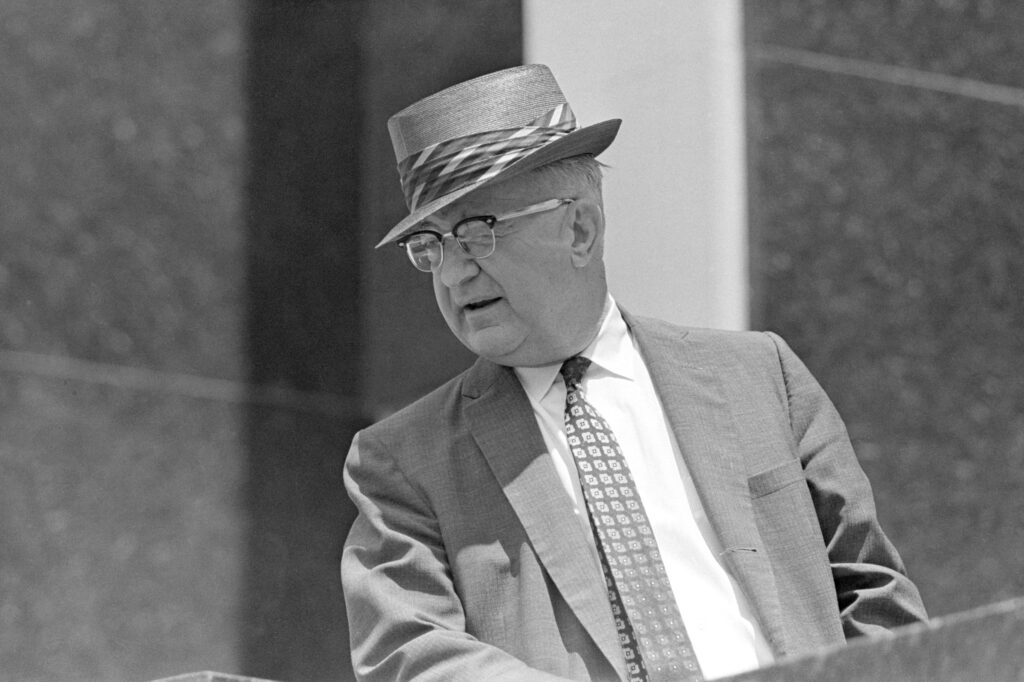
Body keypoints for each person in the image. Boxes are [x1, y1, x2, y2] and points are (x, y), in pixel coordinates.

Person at [341, 64, 927, 682]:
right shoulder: (404, 461)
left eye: (477, 233)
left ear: (580, 229)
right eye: (431, 245)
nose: (454, 273)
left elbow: (873, 594)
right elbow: (408, 652)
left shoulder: (761, 375)